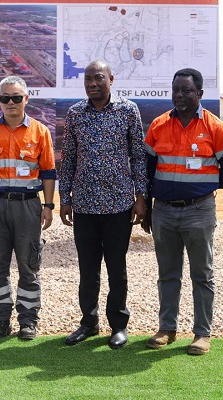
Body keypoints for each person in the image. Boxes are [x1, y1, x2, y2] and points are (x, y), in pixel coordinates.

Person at [59, 60, 147, 349]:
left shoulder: (127, 111)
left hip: (119, 205)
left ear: (111, 78)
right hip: (84, 205)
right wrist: (65, 198)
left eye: (98, 78)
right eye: (87, 79)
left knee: (116, 267)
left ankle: (118, 325)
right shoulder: (75, 114)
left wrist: (140, 197)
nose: (92, 83)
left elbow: (138, 156)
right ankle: (89, 322)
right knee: (87, 269)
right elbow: (69, 158)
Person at [143, 68, 223, 355]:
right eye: (176, 90)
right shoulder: (158, 125)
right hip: (164, 212)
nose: (179, 96)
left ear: (200, 94)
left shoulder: (215, 128)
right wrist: (148, 208)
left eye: (186, 91)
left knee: (202, 274)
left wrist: (199, 188)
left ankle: (202, 334)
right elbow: (147, 170)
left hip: (199, 211)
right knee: (168, 273)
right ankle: (167, 328)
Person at [0, 76, 56, 340]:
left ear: (26, 99)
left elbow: (48, 171)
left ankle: (28, 320)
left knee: (29, 266)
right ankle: (0, 321)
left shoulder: (40, 132)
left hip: (28, 207)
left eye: (16, 97)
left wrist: (48, 205)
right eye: (5, 98)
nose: (10, 103)